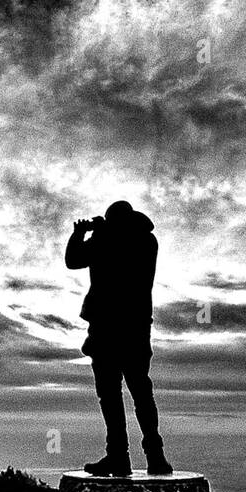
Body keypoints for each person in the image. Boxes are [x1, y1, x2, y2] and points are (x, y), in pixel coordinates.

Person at [65, 200, 173, 476]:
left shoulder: (107, 241)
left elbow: (73, 260)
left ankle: (118, 456)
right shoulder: (148, 242)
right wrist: (102, 232)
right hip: (136, 329)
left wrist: (82, 233)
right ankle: (155, 457)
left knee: (111, 395)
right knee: (141, 393)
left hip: (108, 329)